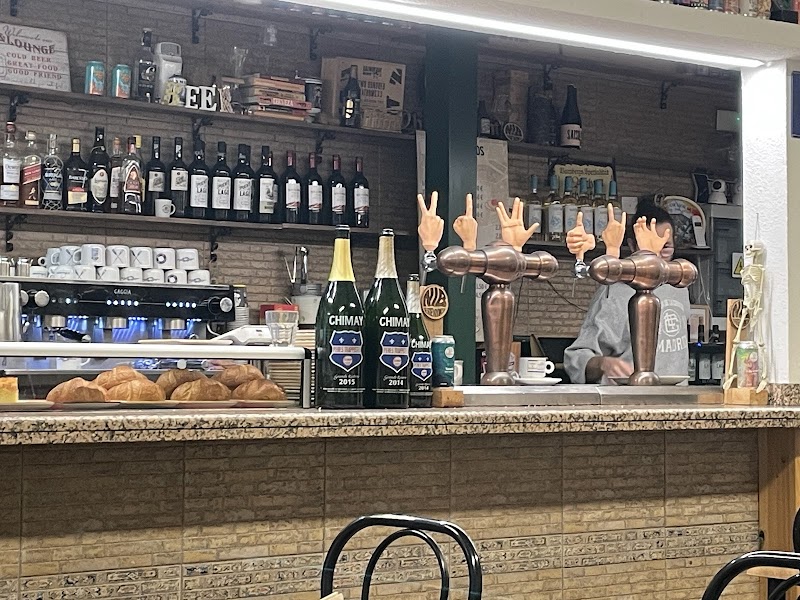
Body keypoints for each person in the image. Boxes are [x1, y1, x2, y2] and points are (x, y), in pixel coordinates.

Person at [563, 199, 691, 384]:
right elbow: (576, 358)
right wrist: (604, 364)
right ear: (632, 246)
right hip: (626, 396)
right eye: (648, 248)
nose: (656, 257)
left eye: (666, 247)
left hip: (677, 395)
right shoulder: (614, 292)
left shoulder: (679, 287)